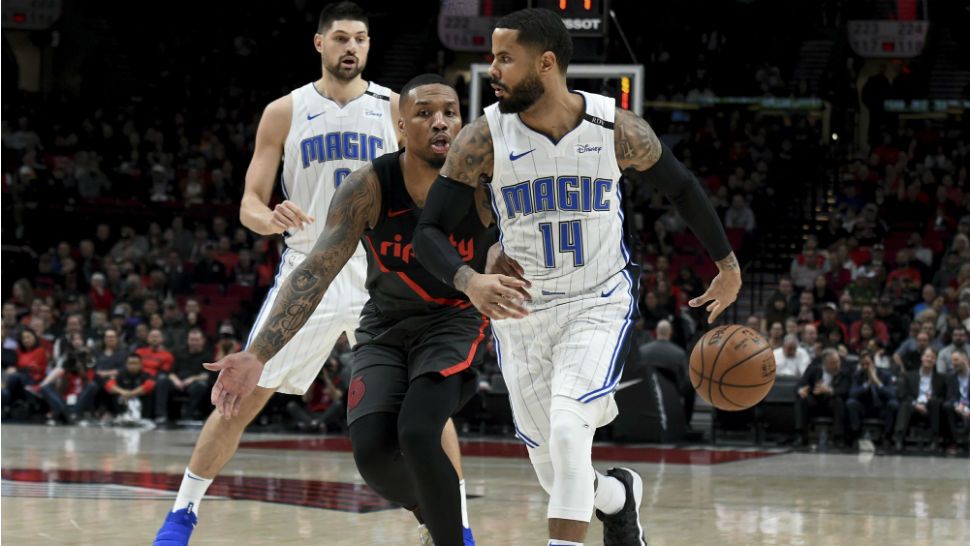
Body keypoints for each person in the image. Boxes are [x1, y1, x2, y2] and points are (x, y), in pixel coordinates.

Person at [411, 9, 741, 545]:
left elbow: (681, 188)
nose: (491, 69)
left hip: (596, 300)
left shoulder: (617, 129)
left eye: (504, 58)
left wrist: (727, 265)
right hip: (520, 314)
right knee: (556, 473)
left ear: (545, 63)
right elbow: (430, 232)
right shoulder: (483, 139)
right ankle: (619, 497)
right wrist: (470, 279)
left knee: (568, 433)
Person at [152, 5, 472, 545]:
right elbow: (249, 204)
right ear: (319, 43)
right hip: (310, 266)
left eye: (362, 39)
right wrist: (268, 216)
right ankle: (181, 515)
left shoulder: (398, 108)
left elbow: (430, 183)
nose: (353, 47)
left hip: (384, 267)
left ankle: (455, 527)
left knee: (428, 400)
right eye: (342, 38)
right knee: (241, 391)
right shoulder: (285, 110)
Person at [639, 320, 694, 426]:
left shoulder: (642, 351)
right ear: (670, 333)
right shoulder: (679, 353)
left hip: (648, 389)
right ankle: (686, 423)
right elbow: (685, 377)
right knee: (691, 389)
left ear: (656, 332)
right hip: (673, 391)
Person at [794, 348, 850, 447]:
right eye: (833, 363)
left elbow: (845, 390)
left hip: (831, 402)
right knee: (801, 399)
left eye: (838, 362)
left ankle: (838, 438)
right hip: (815, 401)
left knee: (838, 401)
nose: (837, 365)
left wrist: (829, 391)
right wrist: (801, 390)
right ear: (825, 363)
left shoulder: (843, 372)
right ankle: (800, 435)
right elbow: (800, 384)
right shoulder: (814, 369)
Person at [894, 347, 945, 452]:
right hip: (914, 406)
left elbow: (943, 397)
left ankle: (934, 441)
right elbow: (903, 394)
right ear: (922, 358)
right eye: (927, 356)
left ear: (935, 361)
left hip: (930, 407)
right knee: (905, 404)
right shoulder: (909, 375)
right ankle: (899, 440)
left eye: (932, 357)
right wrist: (915, 404)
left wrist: (932, 401)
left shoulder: (940, 378)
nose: (929, 359)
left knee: (935, 402)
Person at [845, 349, 897, 447]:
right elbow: (852, 393)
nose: (865, 367)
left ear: (874, 363)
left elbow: (892, 394)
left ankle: (887, 436)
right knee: (851, 402)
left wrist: (877, 382)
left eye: (867, 364)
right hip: (865, 407)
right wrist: (867, 384)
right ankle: (856, 436)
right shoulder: (858, 375)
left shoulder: (885, 374)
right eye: (862, 364)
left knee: (893, 404)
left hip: (882, 407)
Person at [942, 349, 969, 455]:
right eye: (952, 361)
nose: (954, 363)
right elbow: (950, 396)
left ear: (965, 359)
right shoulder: (950, 377)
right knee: (947, 406)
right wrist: (957, 406)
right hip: (957, 408)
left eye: (956, 360)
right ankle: (953, 443)